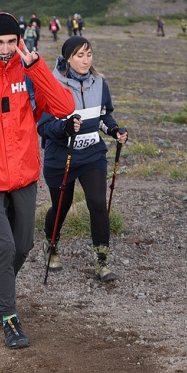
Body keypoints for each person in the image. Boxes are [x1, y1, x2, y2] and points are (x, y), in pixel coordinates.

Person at [0, 12, 76, 349]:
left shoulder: (29, 73)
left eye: (11, 42)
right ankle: (9, 317)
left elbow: (65, 106)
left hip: (23, 175)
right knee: (4, 246)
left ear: (19, 41)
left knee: (23, 246)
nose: (5, 49)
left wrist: (37, 67)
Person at [37, 36, 128, 283]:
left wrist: (114, 131)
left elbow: (103, 116)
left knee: (98, 203)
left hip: (91, 155)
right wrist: (64, 128)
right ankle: (51, 246)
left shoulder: (99, 82)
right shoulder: (52, 83)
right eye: (80, 55)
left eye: (89, 54)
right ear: (68, 57)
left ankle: (102, 261)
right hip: (61, 157)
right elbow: (43, 127)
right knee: (61, 207)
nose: (86, 60)